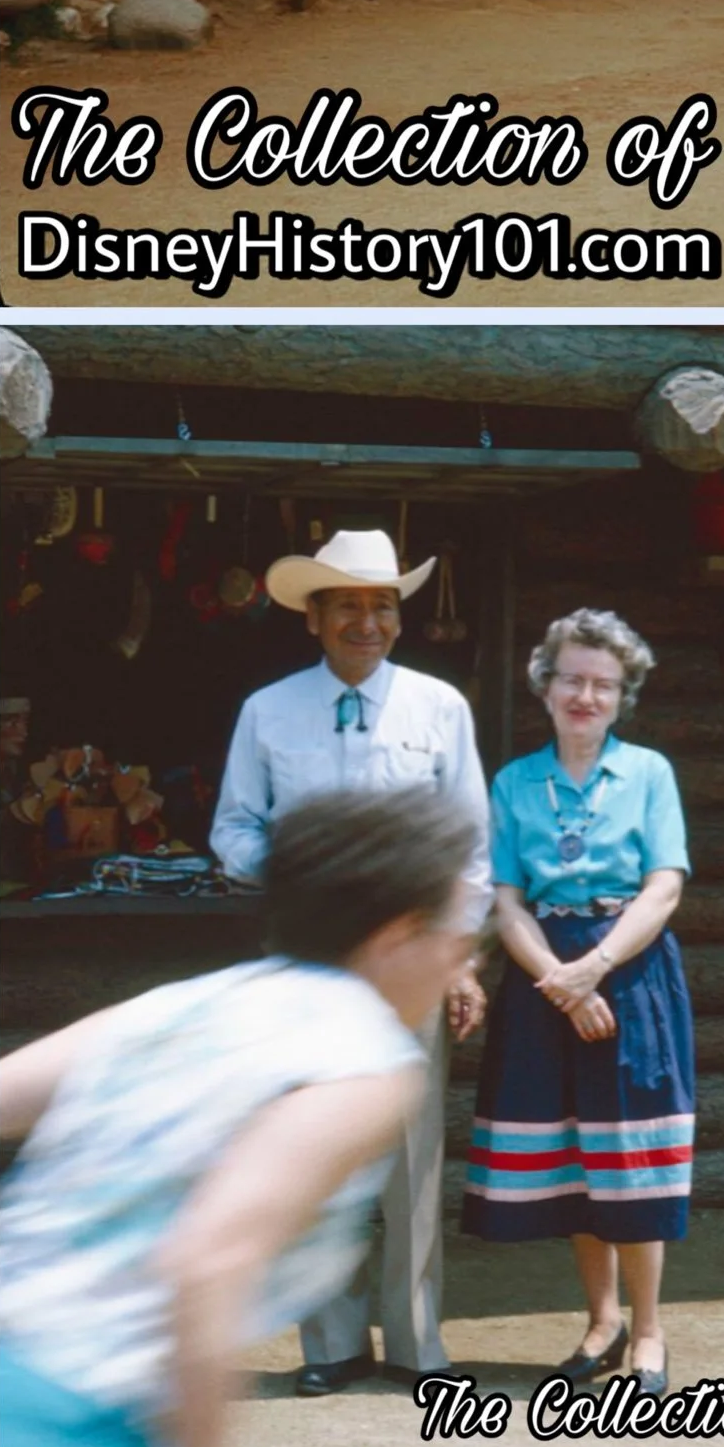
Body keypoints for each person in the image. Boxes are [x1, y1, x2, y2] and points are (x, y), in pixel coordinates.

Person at [0, 788, 481, 1447]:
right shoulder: (365, 1061)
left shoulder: (187, 1003)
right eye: (453, 929)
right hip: (71, 1436)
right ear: (394, 937)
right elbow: (208, 1262)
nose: (462, 953)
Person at [211, 528, 491, 1396]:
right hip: (305, 957)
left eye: (380, 606)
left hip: (409, 958)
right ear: (313, 618)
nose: (365, 622)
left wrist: (457, 959)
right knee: (312, 1144)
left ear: (397, 618)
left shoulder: (439, 708)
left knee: (412, 1153)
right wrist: (300, 878)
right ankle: (330, 1342)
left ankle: (417, 1346)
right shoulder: (268, 710)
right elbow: (232, 829)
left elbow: (472, 850)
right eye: (347, 607)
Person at [462, 610, 693, 1399]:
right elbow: (506, 898)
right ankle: (601, 1321)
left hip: (627, 969)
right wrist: (559, 984)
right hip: (543, 974)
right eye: (572, 679)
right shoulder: (514, 783)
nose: (585, 696)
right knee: (572, 1161)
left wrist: (592, 968)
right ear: (545, 685)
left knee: (630, 1159)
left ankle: (650, 1329)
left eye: (603, 684)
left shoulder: (649, 773)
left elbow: (664, 886)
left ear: (622, 694)